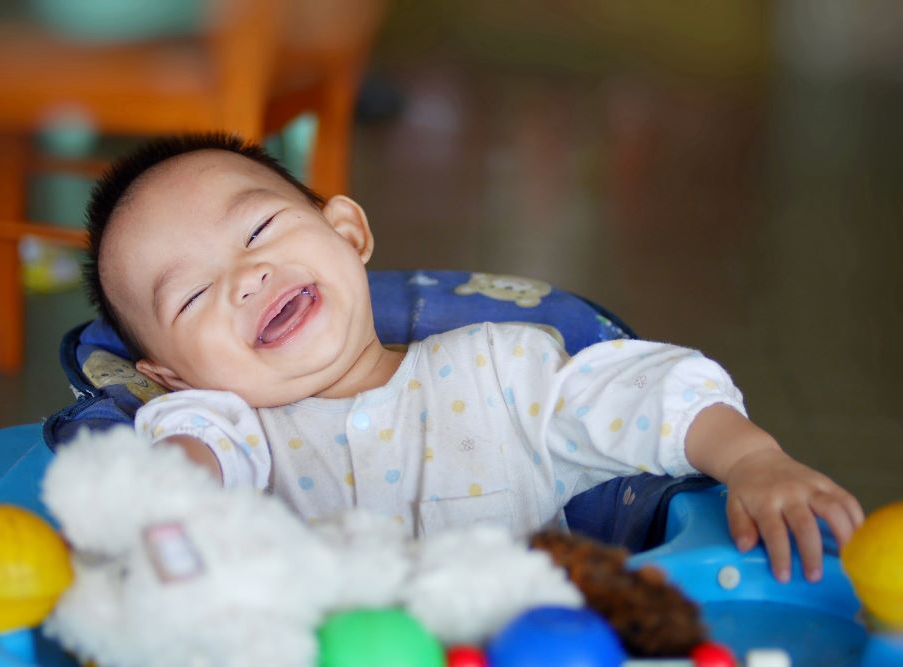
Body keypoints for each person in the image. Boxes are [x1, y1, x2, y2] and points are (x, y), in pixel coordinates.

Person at [84, 133, 863, 584]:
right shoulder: (233, 433)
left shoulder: (501, 370)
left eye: (256, 232)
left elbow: (644, 390)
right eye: (190, 298)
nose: (245, 278)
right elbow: (183, 461)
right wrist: (157, 494)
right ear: (171, 376)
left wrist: (754, 459)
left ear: (347, 234)